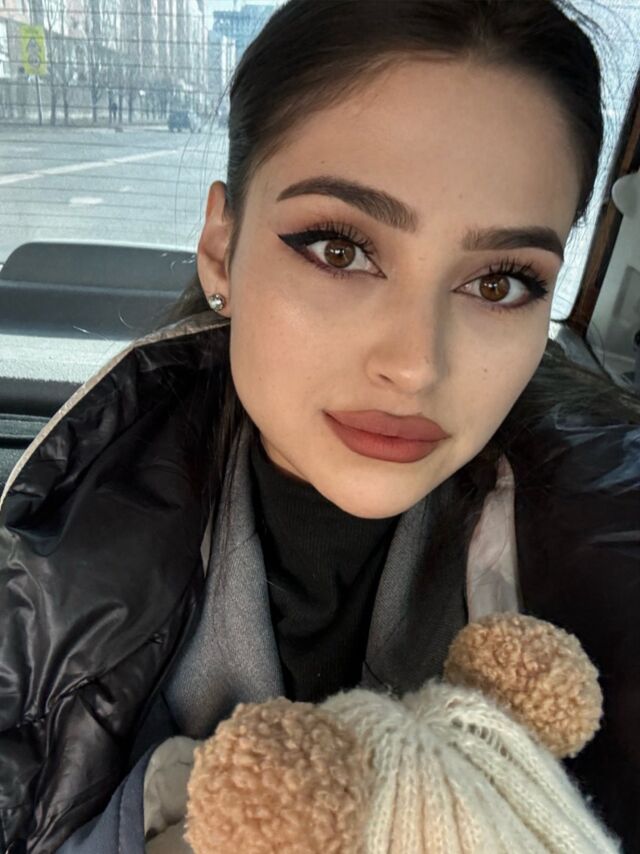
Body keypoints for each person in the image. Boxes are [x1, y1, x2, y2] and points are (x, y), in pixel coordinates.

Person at [0, 1, 638, 851]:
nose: (416, 365)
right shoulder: (36, 581)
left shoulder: (613, 572)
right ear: (222, 250)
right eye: (340, 249)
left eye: (499, 283)